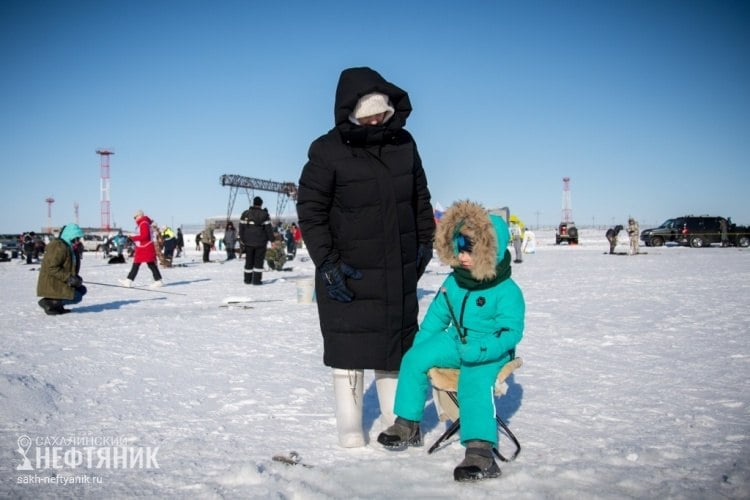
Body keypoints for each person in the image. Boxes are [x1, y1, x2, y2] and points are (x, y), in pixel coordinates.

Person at [296, 66, 436, 448]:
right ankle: (349, 423)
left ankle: (395, 418)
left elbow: (420, 199)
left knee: (395, 348)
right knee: (348, 348)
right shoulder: (327, 150)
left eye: (382, 113)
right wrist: (327, 263)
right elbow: (311, 210)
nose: (376, 120)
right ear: (350, 113)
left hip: (397, 269)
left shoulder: (405, 144)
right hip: (348, 270)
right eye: (368, 114)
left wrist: (424, 243)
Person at [376, 200, 524, 482]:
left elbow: (510, 332)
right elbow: (435, 321)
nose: (464, 257)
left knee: (473, 379)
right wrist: (421, 348)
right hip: (456, 343)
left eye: (471, 251)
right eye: (460, 250)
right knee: (414, 358)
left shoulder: (507, 291)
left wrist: (481, 349)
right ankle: (407, 424)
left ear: (489, 252)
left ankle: (480, 452)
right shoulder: (454, 282)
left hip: (491, 351)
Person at [37, 224, 88, 315]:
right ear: (69, 236)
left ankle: (58, 306)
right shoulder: (59, 246)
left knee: (82, 289)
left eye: (78, 239)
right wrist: (69, 278)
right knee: (77, 297)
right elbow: (52, 268)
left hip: (60, 281)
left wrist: (76, 278)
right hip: (52, 283)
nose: (77, 241)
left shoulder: (70, 247)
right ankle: (49, 302)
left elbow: (69, 267)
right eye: (75, 238)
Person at [119, 210, 163, 287]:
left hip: (145, 247)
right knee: (144, 263)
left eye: (135, 217)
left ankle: (158, 281)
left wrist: (132, 238)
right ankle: (128, 281)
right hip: (143, 247)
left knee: (145, 263)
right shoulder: (143, 223)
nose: (135, 219)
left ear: (140, 216)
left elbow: (145, 236)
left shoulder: (143, 223)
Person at [239, 196, 274, 284]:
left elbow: (241, 228)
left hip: (248, 242)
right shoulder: (264, 215)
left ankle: (247, 280)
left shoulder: (245, 214)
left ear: (253, 203)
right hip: (261, 242)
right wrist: (272, 240)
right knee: (258, 262)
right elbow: (268, 229)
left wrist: (242, 239)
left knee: (249, 261)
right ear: (261, 204)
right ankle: (256, 281)